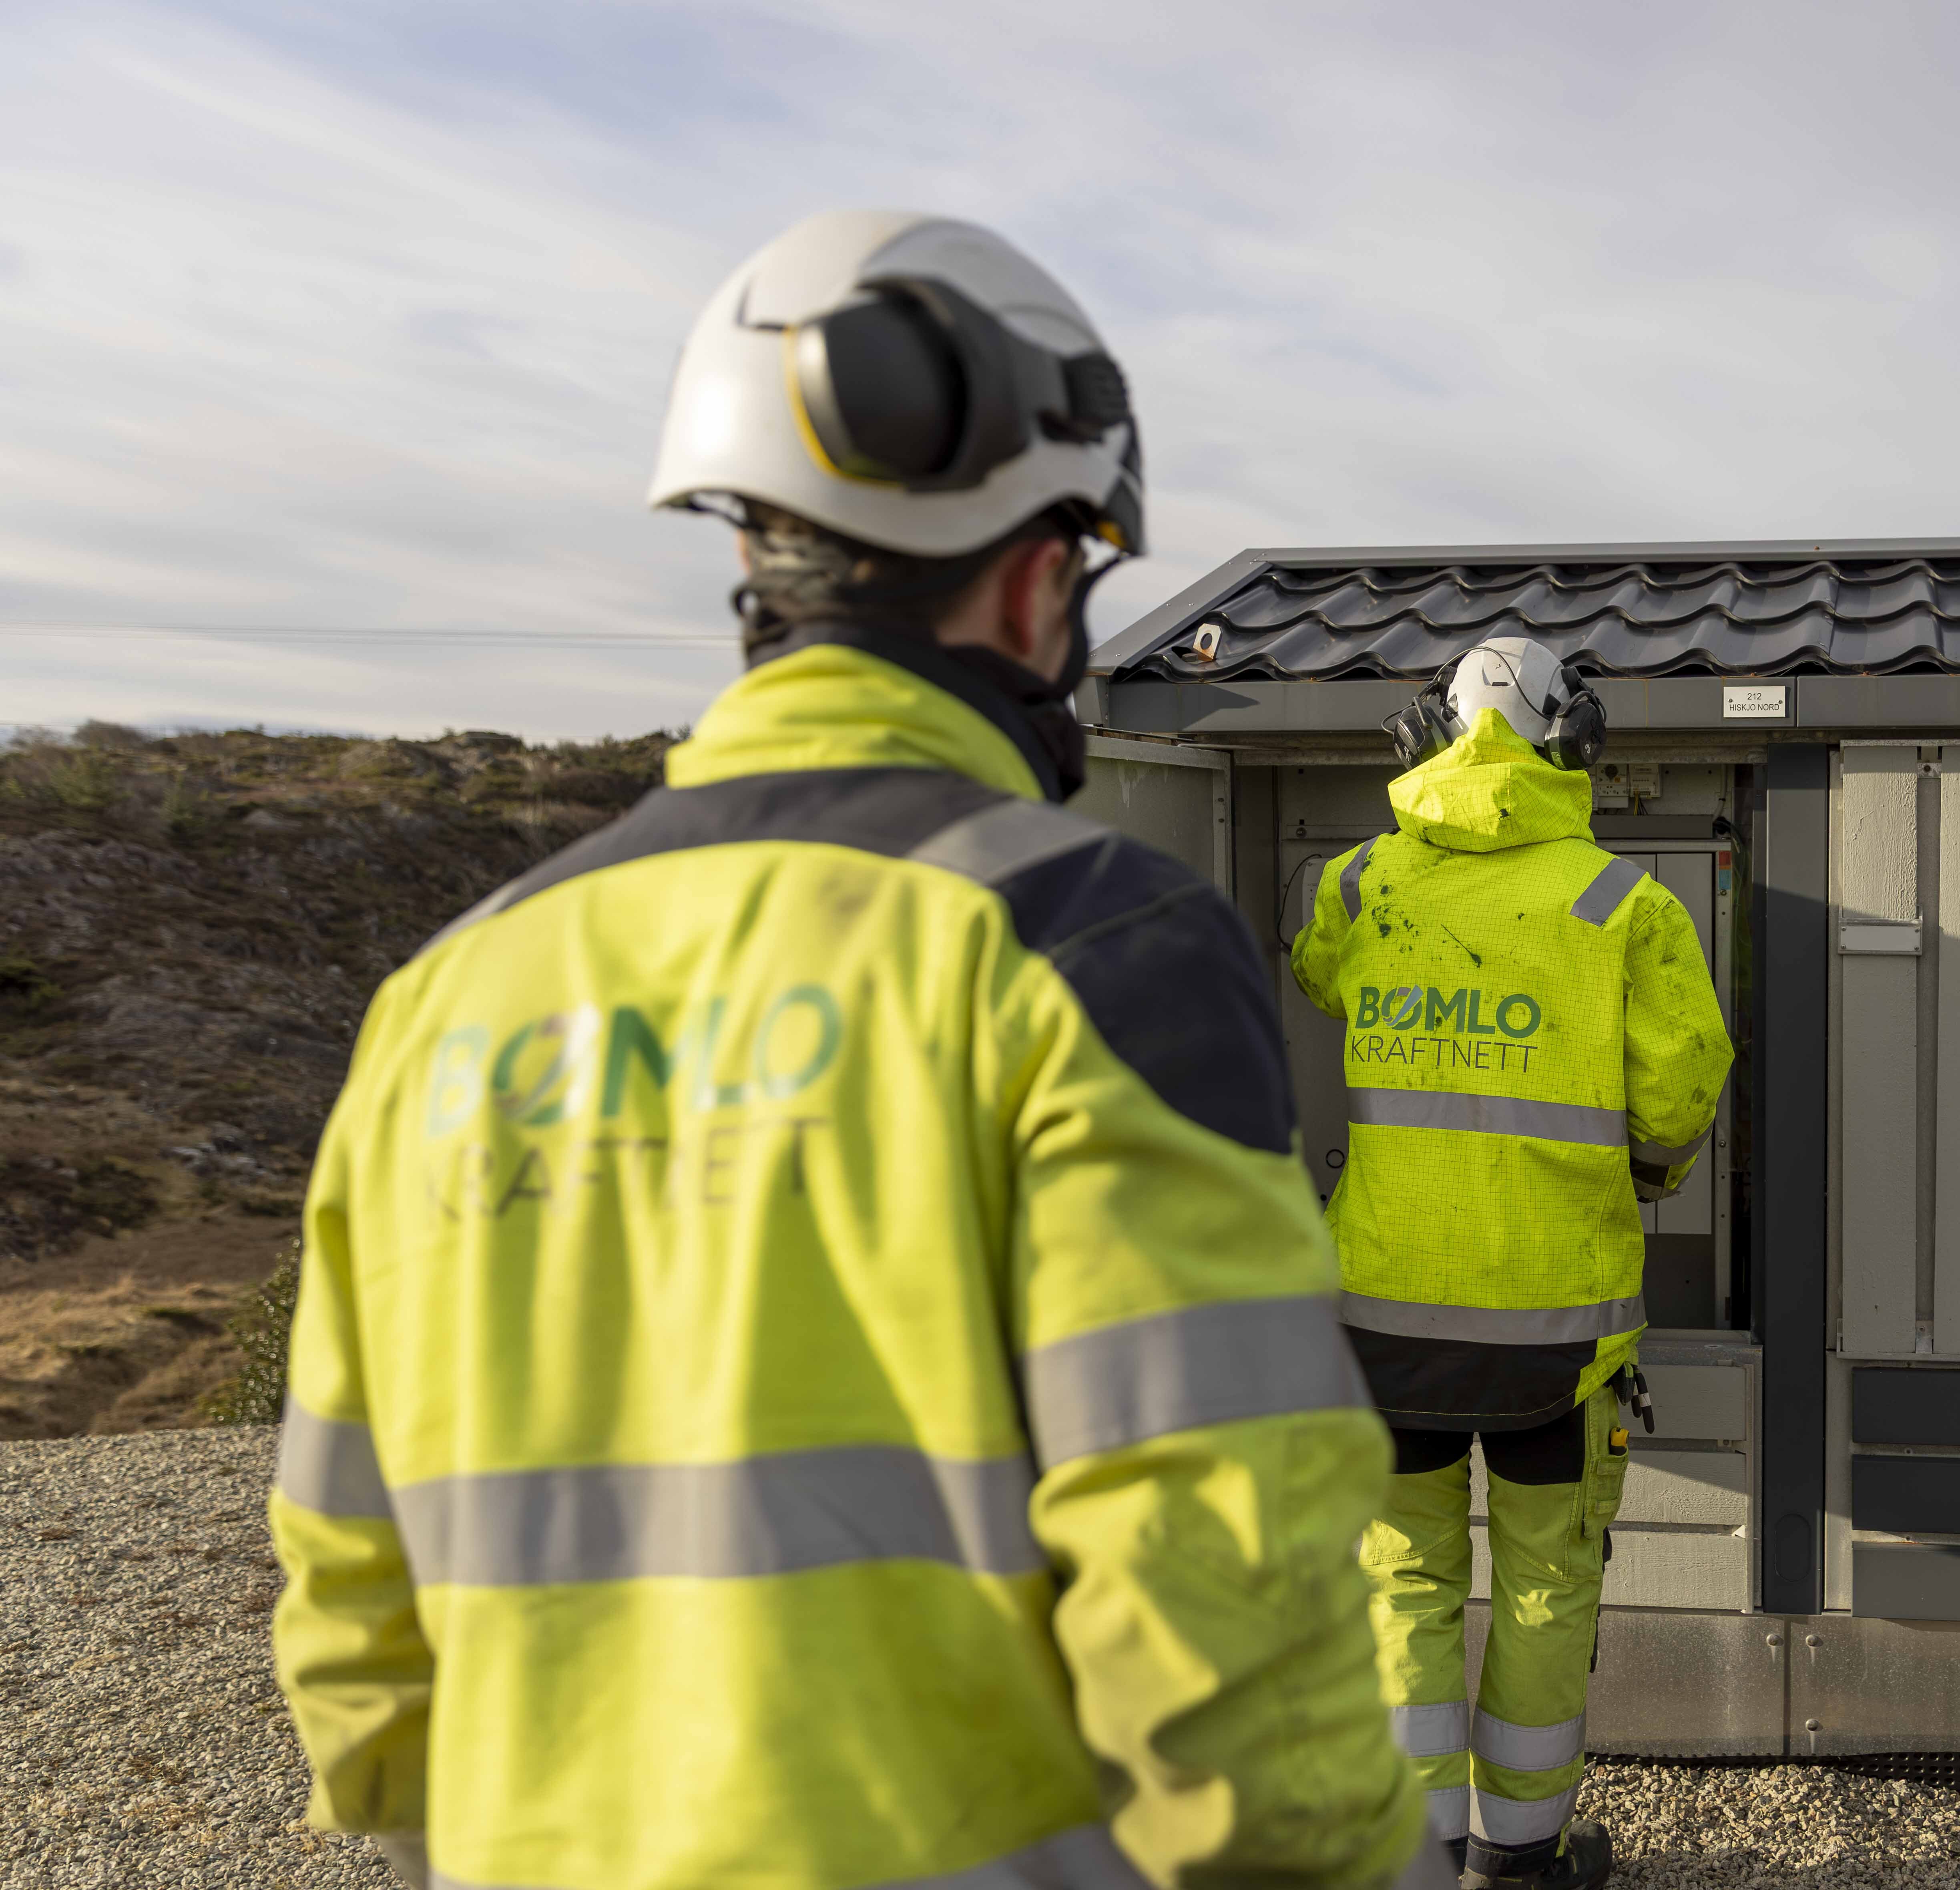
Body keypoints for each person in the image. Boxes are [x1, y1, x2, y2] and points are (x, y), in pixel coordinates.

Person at [267, 209, 1440, 1890]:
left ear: (757, 559)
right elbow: (1224, 1595)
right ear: (1038, 579)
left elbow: (352, 1629)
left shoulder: (446, 998)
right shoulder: (1088, 946)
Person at [1287, 639, 1735, 1890]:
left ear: (1433, 735)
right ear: (1572, 743)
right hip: (1558, 1334)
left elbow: (1317, 977)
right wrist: (1644, 1176)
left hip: (1384, 1328)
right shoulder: (1624, 905)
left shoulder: (1360, 883)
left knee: (1403, 1586)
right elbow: (1680, 1095)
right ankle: (1521, 1857)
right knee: (1546, 1586)